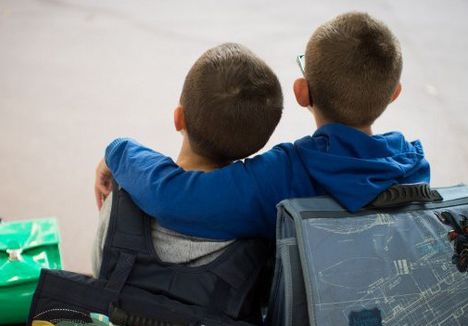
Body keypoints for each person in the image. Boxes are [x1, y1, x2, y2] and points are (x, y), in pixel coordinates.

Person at [95, 11, 431, 240]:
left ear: (302, 92)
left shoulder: (286, 175)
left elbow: (174, 198)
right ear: (393, 94)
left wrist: (118, 152)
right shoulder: (413, 166)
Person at [92, 42, 283, 276]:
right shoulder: (261, 220)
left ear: (178, 118)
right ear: (258, 143)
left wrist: (117, 154)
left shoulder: (120, 204)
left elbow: (101, 274)